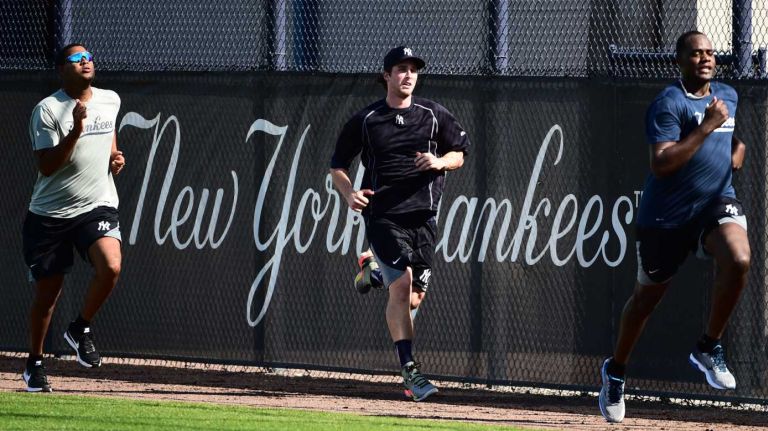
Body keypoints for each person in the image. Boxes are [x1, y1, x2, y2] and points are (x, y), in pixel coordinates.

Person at [599, 31, 749, 423]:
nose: (705, 58)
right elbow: (661, 164)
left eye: (710, 53)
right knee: (645, 301)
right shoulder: (669, 103)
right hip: (667, 217)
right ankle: (615, 370)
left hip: (715, 202)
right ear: (680, 61)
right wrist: (706, 126)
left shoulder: (727, 96)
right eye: (695, 53)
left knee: (739, 258)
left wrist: (736, 151)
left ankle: (708, 346)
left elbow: (734, 138)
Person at [330, 46, 470, 401]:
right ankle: (411, 371)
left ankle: (373, 270)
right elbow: (338, 167)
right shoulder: (367, 120)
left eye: (413, 70)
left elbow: (459, 154)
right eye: (401, 69)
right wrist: (349, 195)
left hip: (423, 218)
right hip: (383, 216)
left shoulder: (433, 115)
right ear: (387, 76)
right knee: (403, 283)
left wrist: (440, 162)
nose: (408, 75)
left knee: (412, 297)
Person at [22, 43, 125, 392]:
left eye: (89, 57)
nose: (85, 62)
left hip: (95, 204)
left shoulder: (110, 99)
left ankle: (80, 327)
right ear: (61, 70)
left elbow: (109, 132)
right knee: (48, 295)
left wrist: (114, 157)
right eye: (76, 59)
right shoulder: (47, 110)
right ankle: (34, 363)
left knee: (110, 266)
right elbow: (48, 166)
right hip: (50, 215)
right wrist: (77, 130)